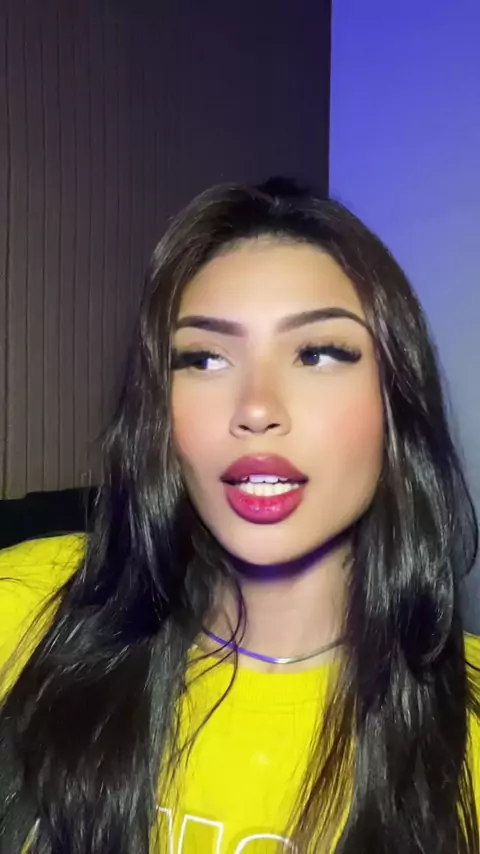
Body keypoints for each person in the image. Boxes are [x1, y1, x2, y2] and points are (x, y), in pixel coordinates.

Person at [0, 178, 479, 854]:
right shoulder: (25, 605)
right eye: (205, 358)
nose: (256, 408)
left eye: (317, 353)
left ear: (395, 403)